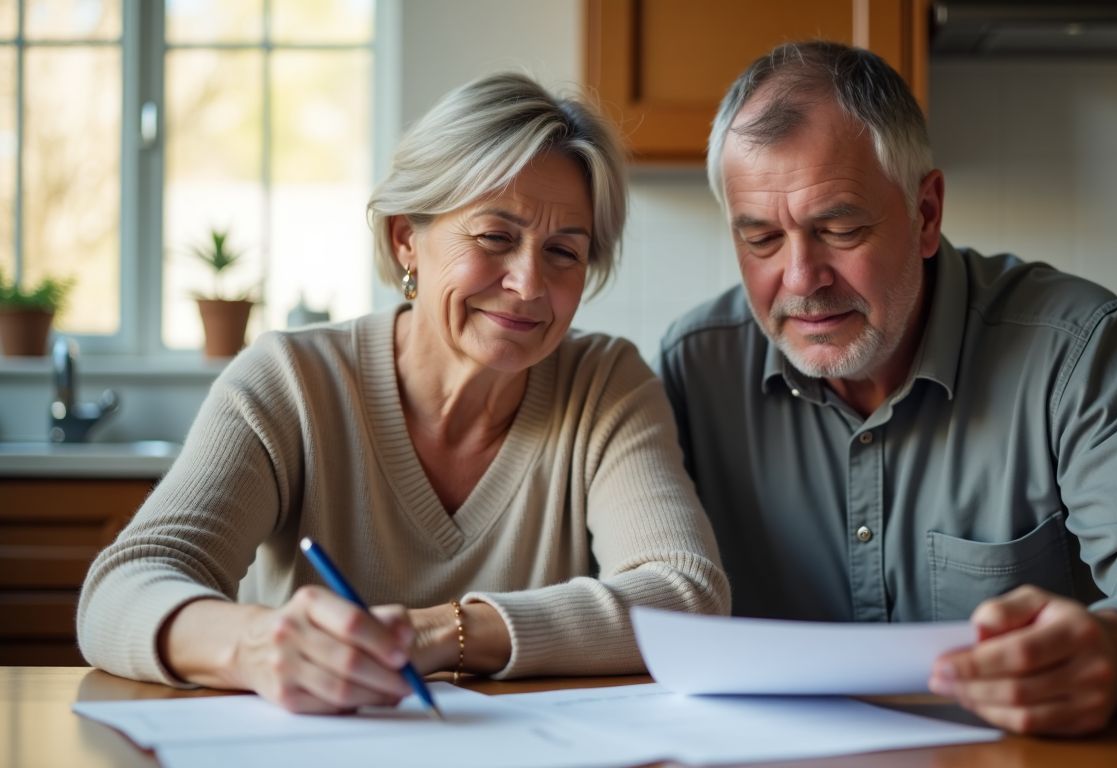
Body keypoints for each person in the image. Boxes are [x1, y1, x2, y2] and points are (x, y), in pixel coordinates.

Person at [658, 41, 1117, 736]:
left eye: (839, 228)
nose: (802, 278)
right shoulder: (696, 366)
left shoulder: (1072, 348)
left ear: (926, 213)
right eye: (763, 240)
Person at [78, 72, 728, 714]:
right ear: (405, 239)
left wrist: (439, 634)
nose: (530, 284)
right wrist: (254, 646)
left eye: (564, 252)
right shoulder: (290, 381)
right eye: (495, 237)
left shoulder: (606, 385)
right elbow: (119, 592)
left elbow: (684, 594)